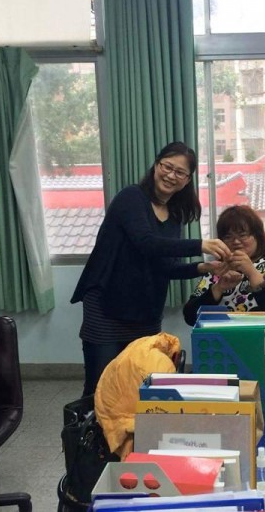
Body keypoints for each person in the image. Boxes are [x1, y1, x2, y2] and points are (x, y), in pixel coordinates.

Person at [71, 142, 232, 397]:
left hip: (145, 311)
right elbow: (146, 243)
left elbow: (166, 267)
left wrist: (204, 267)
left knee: (142, 388)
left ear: (187, 180)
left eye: (180, 172)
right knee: (101, 387)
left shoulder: (174, 215)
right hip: (107, 305)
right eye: (167, 166)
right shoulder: (131, 197)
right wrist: (200, 245)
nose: (171, 175)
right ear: (156, 165)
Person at [183, 205, 265, 350]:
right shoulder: (217, 268)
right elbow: (190, 317)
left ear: (257, 236)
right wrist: (218, 289)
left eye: (243, 235)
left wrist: (252, 273)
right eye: (228, 237)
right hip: (229, 346)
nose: (236, 242)